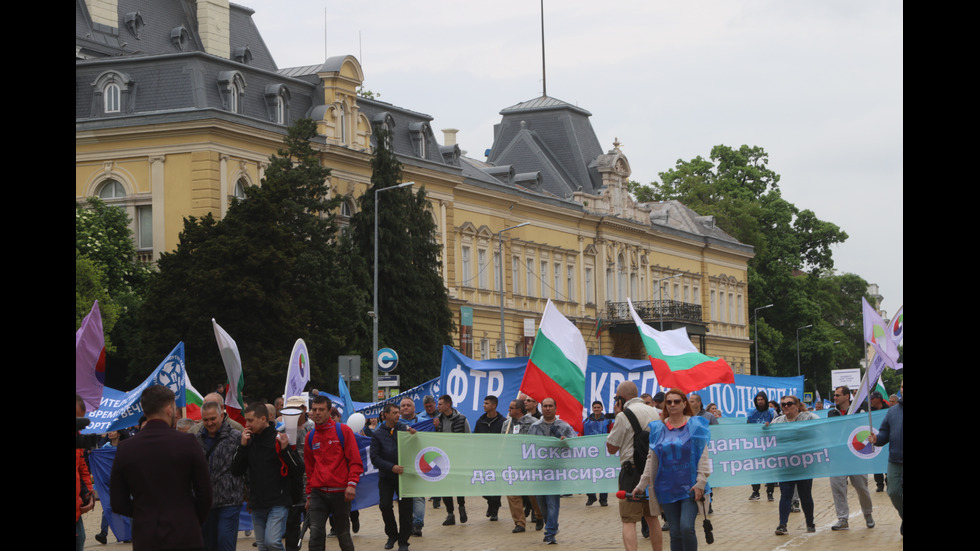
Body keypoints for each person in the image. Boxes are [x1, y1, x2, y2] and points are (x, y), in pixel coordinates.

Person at [110, 385, 212, 551]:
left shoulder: (126, 448)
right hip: (186, 534)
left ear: (144, 411)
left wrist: (144, 514)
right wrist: (191, 519)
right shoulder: (188, 442)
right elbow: (206, 494)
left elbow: (117, 502)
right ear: (169, 410)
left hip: (147, 536)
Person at [634, 389, 710, 551]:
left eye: (676, 401)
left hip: (690, 487)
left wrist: (701, 483)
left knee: (686, 527)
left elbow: (703, 456)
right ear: (665, 405)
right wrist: (641, 485)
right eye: (669, 402)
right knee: (674, 532)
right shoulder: (657, 429)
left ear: (684, 403)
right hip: (666, 488)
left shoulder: (695, 425)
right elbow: (651, 460)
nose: (673, 404)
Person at [232, 402, 300, 551]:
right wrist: (242, 446)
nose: (247, 424)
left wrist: (285, 450)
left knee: (272, 542)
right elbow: (236, 470)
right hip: (257, 503)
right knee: (263, 546)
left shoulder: (279, 438)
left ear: (263, 419)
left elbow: (298, 468)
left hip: (278, 501)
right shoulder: (248, 440)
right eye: (246, 420)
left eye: (250, 420)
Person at [607, 381, 662, 551]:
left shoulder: (623, 415)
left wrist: (618, 414)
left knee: (629, 519)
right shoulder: (654, 412)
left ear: (621, 398)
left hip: (631, 472)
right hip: (652, 470)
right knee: (652, 518)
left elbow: (611, 447)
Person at [305, 395, 363, 551]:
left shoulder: (343, 431)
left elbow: (355, 461)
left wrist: (351, 484)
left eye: (321, 410)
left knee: (343, 535)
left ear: (329, 411)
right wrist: (309, 495)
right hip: (318, 494)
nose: (317, 413)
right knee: (315, 534)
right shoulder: (310, 437)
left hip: (341, 493)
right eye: (314, 409)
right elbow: (309, 470)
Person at [197, 401, 245, 551]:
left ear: (221, 416)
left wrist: (249, 493)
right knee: (208, 546)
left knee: (225, 543)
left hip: (229, 501)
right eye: (206, 420)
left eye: (213, 419)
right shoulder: (195, 439)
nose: (209, 423)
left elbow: (245, 466)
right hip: (205, 503)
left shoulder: (236, 437)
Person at [767, 395, 819, 535]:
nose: (785, 407)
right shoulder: (777, 421)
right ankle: (782, 524)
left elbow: (823, 424)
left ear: (796, 406)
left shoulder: (807, 418)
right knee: (785, 494)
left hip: (804, 464)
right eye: (783, 404)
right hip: (785, 464)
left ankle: (810, 522)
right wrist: (765, 429)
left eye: (789, 404)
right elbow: (767, 435)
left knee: (805, 495)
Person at [528, 397, 576, 544]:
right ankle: (552, 524)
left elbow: (574, 443)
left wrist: (565, 441)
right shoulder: (534, 427)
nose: (547, 408)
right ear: (541, 408)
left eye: (550, 406)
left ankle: (550, 533)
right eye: (545, 406)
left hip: (555, 470)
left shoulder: (564, 426)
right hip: (539, 470)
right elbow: (528, 447)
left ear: (555, 408)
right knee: (542, 503)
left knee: (552, 502)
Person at [829, 385, 874, 531]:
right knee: (838, 488)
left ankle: (868, 514)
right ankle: (842, 518)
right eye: (834, 395)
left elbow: (864, 428)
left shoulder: (859, 411)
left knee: (861, 487)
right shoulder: (832, 413)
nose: (835, 398)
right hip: (838, 458)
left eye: (837, 395)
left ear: (847, 396)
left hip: (856, 456)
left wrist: (852, 422)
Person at [371, 403, 415, 551]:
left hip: (404, 477)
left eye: (399, 412)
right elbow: (374, 458)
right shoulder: (377, 434)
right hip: (386, 477)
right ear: (386, 415)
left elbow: (415, 442)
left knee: (406, 509)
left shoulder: (404, 429)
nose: (398, 415)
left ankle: (403, 541)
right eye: (395, 413)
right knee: (384, 505)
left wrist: (414, 435)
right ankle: (392, 535)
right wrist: (391, 467)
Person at [501, 399, 541, 533]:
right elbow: (502, 441)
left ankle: (539, 515)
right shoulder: (507, 424)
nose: (509, 410)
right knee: (512, 494)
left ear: (519, 410)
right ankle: (519, 522)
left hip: (528, 463)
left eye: (511, 408)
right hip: (511, 463)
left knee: (532, 493)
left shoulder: (533, 423)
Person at [869, 379, 902, 535]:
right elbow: (884, 433)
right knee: (893, 492)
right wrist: (877, 439)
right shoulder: (892, 411)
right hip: (895, 460)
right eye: (902, 386)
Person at [436, 394, 470, 525]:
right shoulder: (438, 420)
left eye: (440, 404)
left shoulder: (461, 419)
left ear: (448, 405)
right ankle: (450, 513)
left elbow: (468, 437)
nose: (437, 406)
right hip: (442, 458)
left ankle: (462, 507)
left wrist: (467, 457)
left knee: (458, 484)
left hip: (458, 457)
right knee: (445, 486)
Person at [397, 397, 427, 537]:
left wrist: (436, 425)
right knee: (402, 498)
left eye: (408, 405)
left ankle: (417, 524)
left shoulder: (424, 423)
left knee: (418, 496)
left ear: (414, 408)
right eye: (403, 405)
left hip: (418, 464)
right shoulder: (393, 423)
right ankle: (406, 524)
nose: (405, 407)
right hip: (399, 465)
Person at [474, 395, 505, 520]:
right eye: (483, 403)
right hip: (483, 457)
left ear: (494, 405)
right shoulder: (480, 421)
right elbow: (475, 439)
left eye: (486, 403)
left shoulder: (503, 422)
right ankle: (491, 501)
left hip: (497, 458)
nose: (484, 405)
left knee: (496, 483)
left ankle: (495, 510)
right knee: (483, 483)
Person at [746, 391, 776, 501]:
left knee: (769, 469)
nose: (760, 401)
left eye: (762, 399)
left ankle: (770, 492)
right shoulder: (751, 413)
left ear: (765, 400)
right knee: (755, 469)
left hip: (769, 445)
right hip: (756, 445)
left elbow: (777, 424)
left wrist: (770, 426)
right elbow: (748, 427)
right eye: (758, 400)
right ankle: (755, 491)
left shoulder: (772, 412)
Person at [583, 400, 612, 507]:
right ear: (592, 408)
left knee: (604, 476)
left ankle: (603, 499)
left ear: (602, 409)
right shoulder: (586, 421)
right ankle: (591, 496)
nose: (596, 409)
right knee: (588, 475)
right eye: (594, 407)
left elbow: (612, 434)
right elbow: (581, 435)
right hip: (589, 453)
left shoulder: (608, 421)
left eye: (598, 407)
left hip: (603, 453)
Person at [76, 395, 96, 551]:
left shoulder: (78, 439)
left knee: (80, 540)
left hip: (77, 509)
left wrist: (88, 494)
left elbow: (82, 467)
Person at [869, 391, 890, 492]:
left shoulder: (888, 410)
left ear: (879, 399)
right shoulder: (869, 411)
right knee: (876, 462)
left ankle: (889, 481)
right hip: (875, 440)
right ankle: (879, 484)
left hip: (886, 440)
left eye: (872, 398)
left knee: (887, 462)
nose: (871, 401)